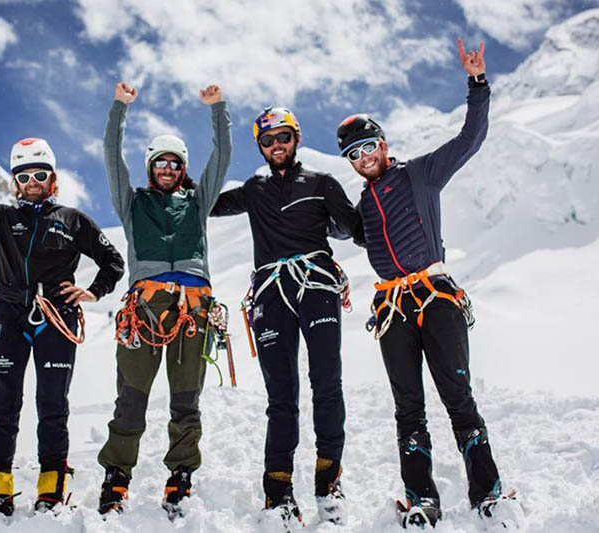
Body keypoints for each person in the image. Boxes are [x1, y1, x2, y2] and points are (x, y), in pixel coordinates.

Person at [337, 40, 519, 528]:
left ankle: (488, 493)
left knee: (458, 398)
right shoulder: (363, 207)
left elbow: (470, 138)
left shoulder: (420, 174)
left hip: (436, 297)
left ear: (383, 145)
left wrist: (477, 83)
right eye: (353, 154)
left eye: (368, 146)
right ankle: (422, 499)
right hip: (392, 307)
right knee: (408, 409)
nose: (363, 157)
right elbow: (342, 230)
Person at [0, 113, 125, 517]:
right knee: (3, 408)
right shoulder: (1, 218)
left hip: (57, 318)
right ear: (15, 181)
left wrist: (93, 291)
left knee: (53, 405)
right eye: (24, 176)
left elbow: (113, 261)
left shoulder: (73, 220)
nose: (32, 182)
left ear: (53, 179)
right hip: (7, 317)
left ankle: (52, 489)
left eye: (40, 175)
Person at [210, 106, 363, 525]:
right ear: (260, 146)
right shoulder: (253, 189)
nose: (276, 145)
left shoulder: (321, 182)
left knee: (327, 383)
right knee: (281, 395)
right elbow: (205, 204)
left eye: (283, 137)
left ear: (296, 138)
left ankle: (328, 484)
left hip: (315, 285)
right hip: (271, 293)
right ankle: (277, 493)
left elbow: (356, 229)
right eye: (267, 140)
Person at [97, 82, 232, 519]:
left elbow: (222, 157)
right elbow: (111, 154)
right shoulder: (132, 202)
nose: (168, 169)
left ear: (183, 168)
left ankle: (181, 475)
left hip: (194, 308)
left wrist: (217, 109)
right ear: (151, 167)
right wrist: (120, 107)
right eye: (161, 162)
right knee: (131, 398)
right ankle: (116, 475)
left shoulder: (198, 201)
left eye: (175, 163)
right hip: (146, 308)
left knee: (186, 400)